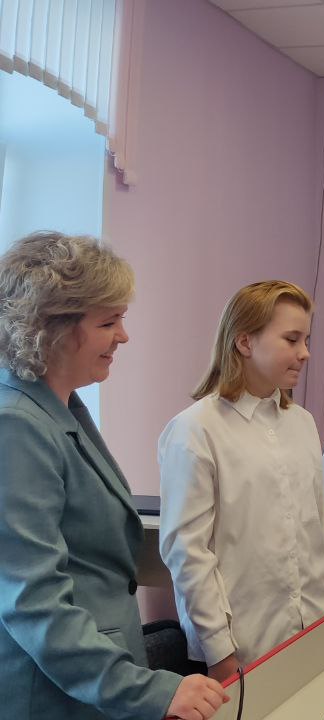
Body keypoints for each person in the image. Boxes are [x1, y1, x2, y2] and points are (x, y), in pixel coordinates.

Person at [0, 232, 227, 719]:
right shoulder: (16, 425)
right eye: (108, 322)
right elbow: (32, 601)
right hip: (51, 696)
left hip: (86, 687)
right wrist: (146, 690)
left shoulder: (60, 408)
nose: (123, 336)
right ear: (50, 328)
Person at [159, 280, 324, 681]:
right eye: (292, 340)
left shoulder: (302, 423)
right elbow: (188, 553)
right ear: (245, 342)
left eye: (306, 340)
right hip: (246, 645)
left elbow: (321, 529)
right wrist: (219, 650)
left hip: (318, 628)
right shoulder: (195, 430)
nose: (305, 353)